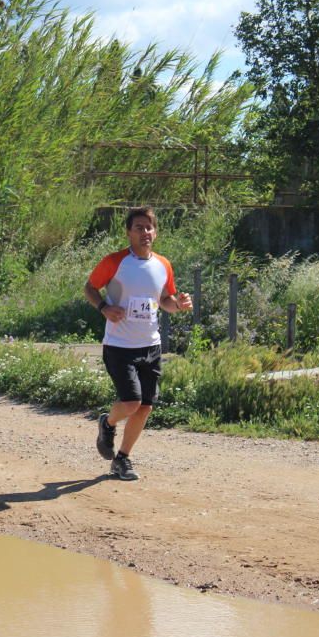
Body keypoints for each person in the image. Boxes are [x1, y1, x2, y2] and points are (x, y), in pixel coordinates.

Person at [83, 206, 192, 481]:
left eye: (149, 227)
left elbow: (165, 300)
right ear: (129, 232)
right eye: (139, 228)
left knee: (145, 407)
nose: (145, 232)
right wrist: (104, 308)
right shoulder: (114, 261)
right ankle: (107, 423)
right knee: (131, 402)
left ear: (155, 232)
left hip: (151, 345)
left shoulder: (163, 264)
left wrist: (178, 305)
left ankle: (122, 459)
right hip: (119, 345)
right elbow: (89, 288)